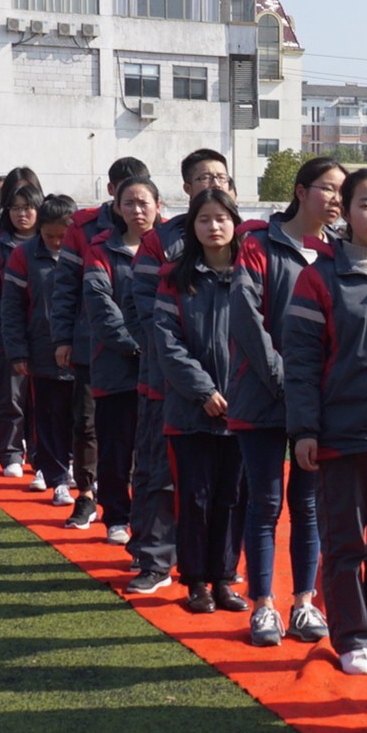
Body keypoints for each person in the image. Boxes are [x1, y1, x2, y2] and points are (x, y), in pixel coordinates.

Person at [284, 168, 367, 675]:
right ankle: (351, 636)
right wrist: (304, 429)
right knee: (344, 543)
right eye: (364, 204)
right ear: (346, 212)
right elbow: (301, 360)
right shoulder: (319, 276)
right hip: (340, 433)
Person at [228, 157, 343, 648]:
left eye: (343, 192)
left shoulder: (338, 253)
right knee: (265, 503)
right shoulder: (258, 245)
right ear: (300, 191)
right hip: (264, 396)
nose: (337, 199)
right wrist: (286, 381)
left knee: (310, 505)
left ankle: (303, 603)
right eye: (329, 189)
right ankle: (264, 607)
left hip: (318, 402)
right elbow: (247, 319)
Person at [151, 187, 245, 614]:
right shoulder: (174, 278)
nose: (214, 226)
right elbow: (168, 344)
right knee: (195, 496)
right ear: (192, 226)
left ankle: (224, 577)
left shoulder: (251, 274)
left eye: (222, 218)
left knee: (233, 496)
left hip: (244, 410)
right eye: (204, 219)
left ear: (235, 222)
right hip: (190, 411)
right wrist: (204, 390)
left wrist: (243, 393)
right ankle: (195, 582)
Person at [83, 177, 161, 549]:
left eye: (144, 202)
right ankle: (115, 514)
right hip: (116, 366)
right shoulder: (100, 250)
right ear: (117, 208)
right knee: (115, 446)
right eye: (128, 203)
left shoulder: (174, 247)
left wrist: (161, 348)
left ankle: (153, 525)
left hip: (162, 368)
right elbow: (102, 309)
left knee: (154, 453)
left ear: (158, 205)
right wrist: (138, 346)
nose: (137, 210)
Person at [1, 196, 80, 498]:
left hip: (83, 352)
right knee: (48, 416)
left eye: (64, 236)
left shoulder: (86, 252)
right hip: (42, 350)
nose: (58, 242)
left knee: (81, 419)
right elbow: (12, 307)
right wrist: (18, 351)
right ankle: (56, 476)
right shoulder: (24, 255)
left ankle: (78, 470)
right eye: (50, 236)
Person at [0, 178, 42, 476]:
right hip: (8, 330)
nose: (21, 214)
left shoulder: (53, 241)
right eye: (15, 208)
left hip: (45, 332)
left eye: (28, 207)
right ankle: (11, 452)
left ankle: (42, 455)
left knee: (44, 397)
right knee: (11, 395)